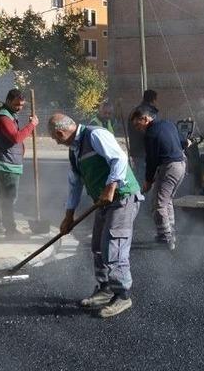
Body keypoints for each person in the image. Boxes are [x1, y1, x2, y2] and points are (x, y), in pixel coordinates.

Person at [49, 113, 142, 318]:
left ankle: (122, 295)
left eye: (55, 138)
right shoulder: (74, 151)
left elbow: (119, 158)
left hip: (122, 197)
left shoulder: (95, 135)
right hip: (103, 202)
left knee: (114, 247)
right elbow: (75, 184)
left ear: (61, 133)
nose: (56, 142)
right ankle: (105, 288)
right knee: (98, 246)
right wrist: (68, 216)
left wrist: (110, 187)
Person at [130, 105, 188, 250]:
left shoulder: (150, 134)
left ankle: (166, 237)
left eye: (137, 124)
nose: (137, 128)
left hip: (169, 167)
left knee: (158, 203)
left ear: (145, 119)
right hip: (181, 165)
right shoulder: (168, 124)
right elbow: (184, 142)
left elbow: (151, 160)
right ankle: (170, 231)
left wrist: (148, 181)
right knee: (167, 200)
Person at [0, 89, 39, 237]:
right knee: (9, 197)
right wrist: (32, 125)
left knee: (1, 195)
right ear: (8, 101)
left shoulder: (9, 114)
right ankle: (10, 230)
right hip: (6, 163)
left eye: (21, 105)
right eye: (16, 105)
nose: (19, 108)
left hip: (4, 160)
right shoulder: (3, 116)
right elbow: (16, 138)